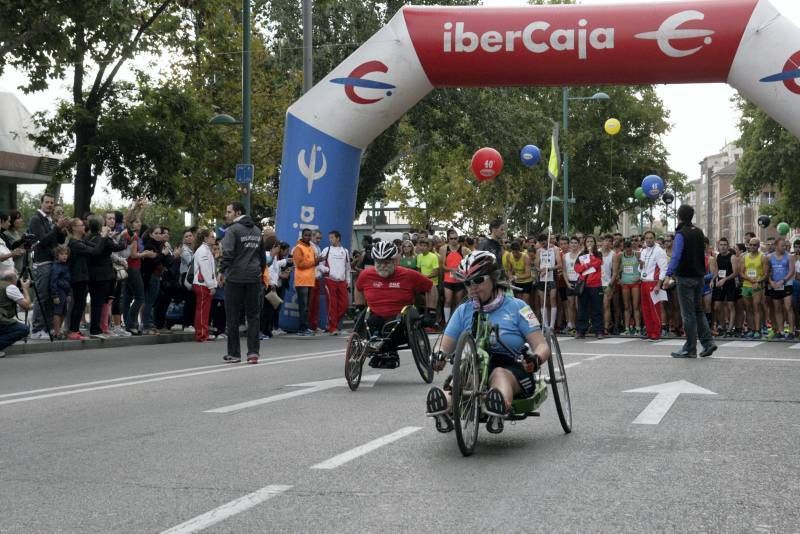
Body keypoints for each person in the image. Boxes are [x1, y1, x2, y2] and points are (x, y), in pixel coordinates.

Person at [424, 250, 551, 435]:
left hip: (511, 366)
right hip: (473, 368)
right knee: (462, 380)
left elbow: (541, 345)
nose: (472, 287)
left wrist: (536, 358)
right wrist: (439, 354)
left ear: (493, 278)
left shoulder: (518, 307)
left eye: (478, 280)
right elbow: (444, 342)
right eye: (467, 283)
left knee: (499, 374)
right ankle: (442, 404)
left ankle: (498, 406)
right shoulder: (463, 311)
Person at [354, 241, 433, 370]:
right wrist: (359, 308)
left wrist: (431, 312)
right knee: (371, 322)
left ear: (394, 261)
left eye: (386, 262)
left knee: (392, 326)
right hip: (376, 315)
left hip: (400, 318)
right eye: (379, 262)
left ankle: (388, 352)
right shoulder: (366, 275)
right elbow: (358, 289)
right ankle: (377, 349)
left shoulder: (408, 275)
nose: (382, 266)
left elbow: (431, 287)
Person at [663, 205, 717, 358]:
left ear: (679, 217)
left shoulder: (681, 233)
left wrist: (668, 274)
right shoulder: (699, 232)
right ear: (691, 216)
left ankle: (690, 348)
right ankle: (708, 343)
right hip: (699, 277)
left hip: (685, 278)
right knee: (698, 312)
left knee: (688, 314)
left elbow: (676, 255)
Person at [219, 202, 266, 364]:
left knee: (232, 316)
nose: (227, 215)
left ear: (238, 212)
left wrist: (221, 271)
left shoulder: (232, 230)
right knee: (253, 316)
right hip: (254, 278)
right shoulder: (257, 231)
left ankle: (234, 354)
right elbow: (262, 258)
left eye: (229, 211)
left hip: (235, 278)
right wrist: (259, 273)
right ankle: (253, 353)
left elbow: (228, 253)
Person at [27, 192, 67, 339]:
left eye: (52, 202)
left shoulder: (50, 220)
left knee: (50, 297)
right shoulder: (36, 219)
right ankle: (37, 329)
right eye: (47, 202)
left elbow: (60, 241)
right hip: (42, 262)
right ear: (41, 203)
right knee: (42, 296)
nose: (50, 205)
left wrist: (62, 229)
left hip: (53, 262)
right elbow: (42, 241)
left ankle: (47, 326)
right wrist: (56, 227)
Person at [639, 230, 669, 341]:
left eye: (650, 238)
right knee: (646, 309)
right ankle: (650, 331)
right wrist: (640, 265)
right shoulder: (644, 251)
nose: (648, 240)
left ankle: (656, 333)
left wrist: (658, 284)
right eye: (646, 238)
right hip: (644, 281)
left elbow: (664, 268)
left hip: (653, 282)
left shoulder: (659, 251)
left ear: (654, 239)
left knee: (654, 309)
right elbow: (641, 268)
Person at [320, 230, 350, 335]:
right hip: (330, 281)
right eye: (329, 238)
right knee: (332, 305)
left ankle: (332, 323)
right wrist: (327, 270)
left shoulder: (345, 251)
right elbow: (319, 265)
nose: (330, 240)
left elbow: (347, 268)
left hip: (342, 281)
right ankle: (333, 328)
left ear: (338, 238)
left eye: (332, 237)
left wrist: (348, 281)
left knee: (344, 305)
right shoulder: (326, 250)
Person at [574, 235, 604, 338]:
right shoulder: (581, 255)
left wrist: (590, 257)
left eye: (591, 241)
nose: (590, 243)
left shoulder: (598, 254)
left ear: (594, 243)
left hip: (596, 285)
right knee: (583, 309)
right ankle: (581, 330)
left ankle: (599, 331)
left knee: (597, 309)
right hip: (584, 285)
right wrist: (586, 265)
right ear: (585, 243)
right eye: (588, 242)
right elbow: (577, 268)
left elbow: (597, 263)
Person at [765, 237, 795, 340]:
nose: (784, 247)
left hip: (786, 285)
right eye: (782, 246)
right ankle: (781, 331)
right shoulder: (769, 257)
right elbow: (767, 272)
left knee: (788, 307)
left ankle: (791, 331)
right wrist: (771, 282)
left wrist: (783, 281)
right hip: (775, 286)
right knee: (777, 309)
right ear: (776, 246)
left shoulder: (789, 257)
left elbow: (791, 272)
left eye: (785, 246)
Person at [292, 228, 320, 336]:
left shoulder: (311, 248)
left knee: (307, 307)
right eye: (306, 235)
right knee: (303, 306)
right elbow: (300, 264)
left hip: (309, 280)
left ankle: (305, 328)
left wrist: (318, 261)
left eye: (309, 235)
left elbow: (313, 263)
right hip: (302, 281)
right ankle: (302, 329)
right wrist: (314, 261)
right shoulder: (298, 248)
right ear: (302, 236)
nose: (308, 237)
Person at [192, 228, 217, 342]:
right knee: (202, 310)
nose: (214, 238)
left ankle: (203, 332)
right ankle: (201, 334)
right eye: (212, 236)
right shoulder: (203, 251)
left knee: (204, 310)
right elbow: (205, 269)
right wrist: (211, 285)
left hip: (204, 284)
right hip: (203, 285)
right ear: (205, 238)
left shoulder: (205, 250)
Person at [0, 269, 32, 356]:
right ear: (13, 280)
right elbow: (26, 306)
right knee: (23, 329)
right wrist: (25, 289)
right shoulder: (10, 287)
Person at [740, 237, 766, 339]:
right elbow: (741, 273)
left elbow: (766, 274)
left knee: (756, 307)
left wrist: (758, 281)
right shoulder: (744, 257)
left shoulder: (762, 257)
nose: (752, 247)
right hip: (746, 285)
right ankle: (751, 329)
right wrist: (749, 279)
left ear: (758, 246)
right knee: (748, 309)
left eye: (754, 245)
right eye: (750, 245)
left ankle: (758, 330)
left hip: (757, 286)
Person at [440, 229, 467, 322]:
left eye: (455, 238)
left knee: (458, 301)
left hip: (460, 280)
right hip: (448, 279)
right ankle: (447, 322)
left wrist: (460, 270)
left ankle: (456, 321)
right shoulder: (444, 249)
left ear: (458, 238)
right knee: (448, 300)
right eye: (451, 238)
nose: (454, 240)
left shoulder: (463, 249)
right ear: (448, 239)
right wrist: (452, 269)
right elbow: (442, 266)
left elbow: (468, 263)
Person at [616, 239, 642, 336]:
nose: (628, 251)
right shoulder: (620, 255)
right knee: (627, 307)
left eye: (630, 249)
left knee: (636, 307)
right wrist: (619, 280)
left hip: (635, 283)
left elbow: (643, 267)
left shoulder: (637, 254)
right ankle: (627, 328)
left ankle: (638, 328)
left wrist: (639, 277)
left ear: (632, 247)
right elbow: (616, 270)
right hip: (625, 283)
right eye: (626, 249)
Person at [415, 238, 440, 327]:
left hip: (432, 284)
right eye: (421, 245)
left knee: (432, 305)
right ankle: (426, 323)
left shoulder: (433, 256)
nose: (423, 247)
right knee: (425, 304)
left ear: (429, 247)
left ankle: (434, 323)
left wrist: (425, 277)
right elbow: (418, 269)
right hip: (423, 284)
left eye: (425, 246)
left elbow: (436, 271)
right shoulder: (419, 256)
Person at [49, 245, 71, 339]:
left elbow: (68, 280)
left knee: (63, 312)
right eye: (62, 254)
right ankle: (56, 331)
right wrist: (55, 295)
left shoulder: (65, 265)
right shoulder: (56, 266)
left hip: (65, 291)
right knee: (57, 312)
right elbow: (53, 282)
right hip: (59, 291)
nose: (65, 256)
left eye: (66, 254)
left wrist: (69, 293)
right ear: (57, 255)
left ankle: (58, 330)